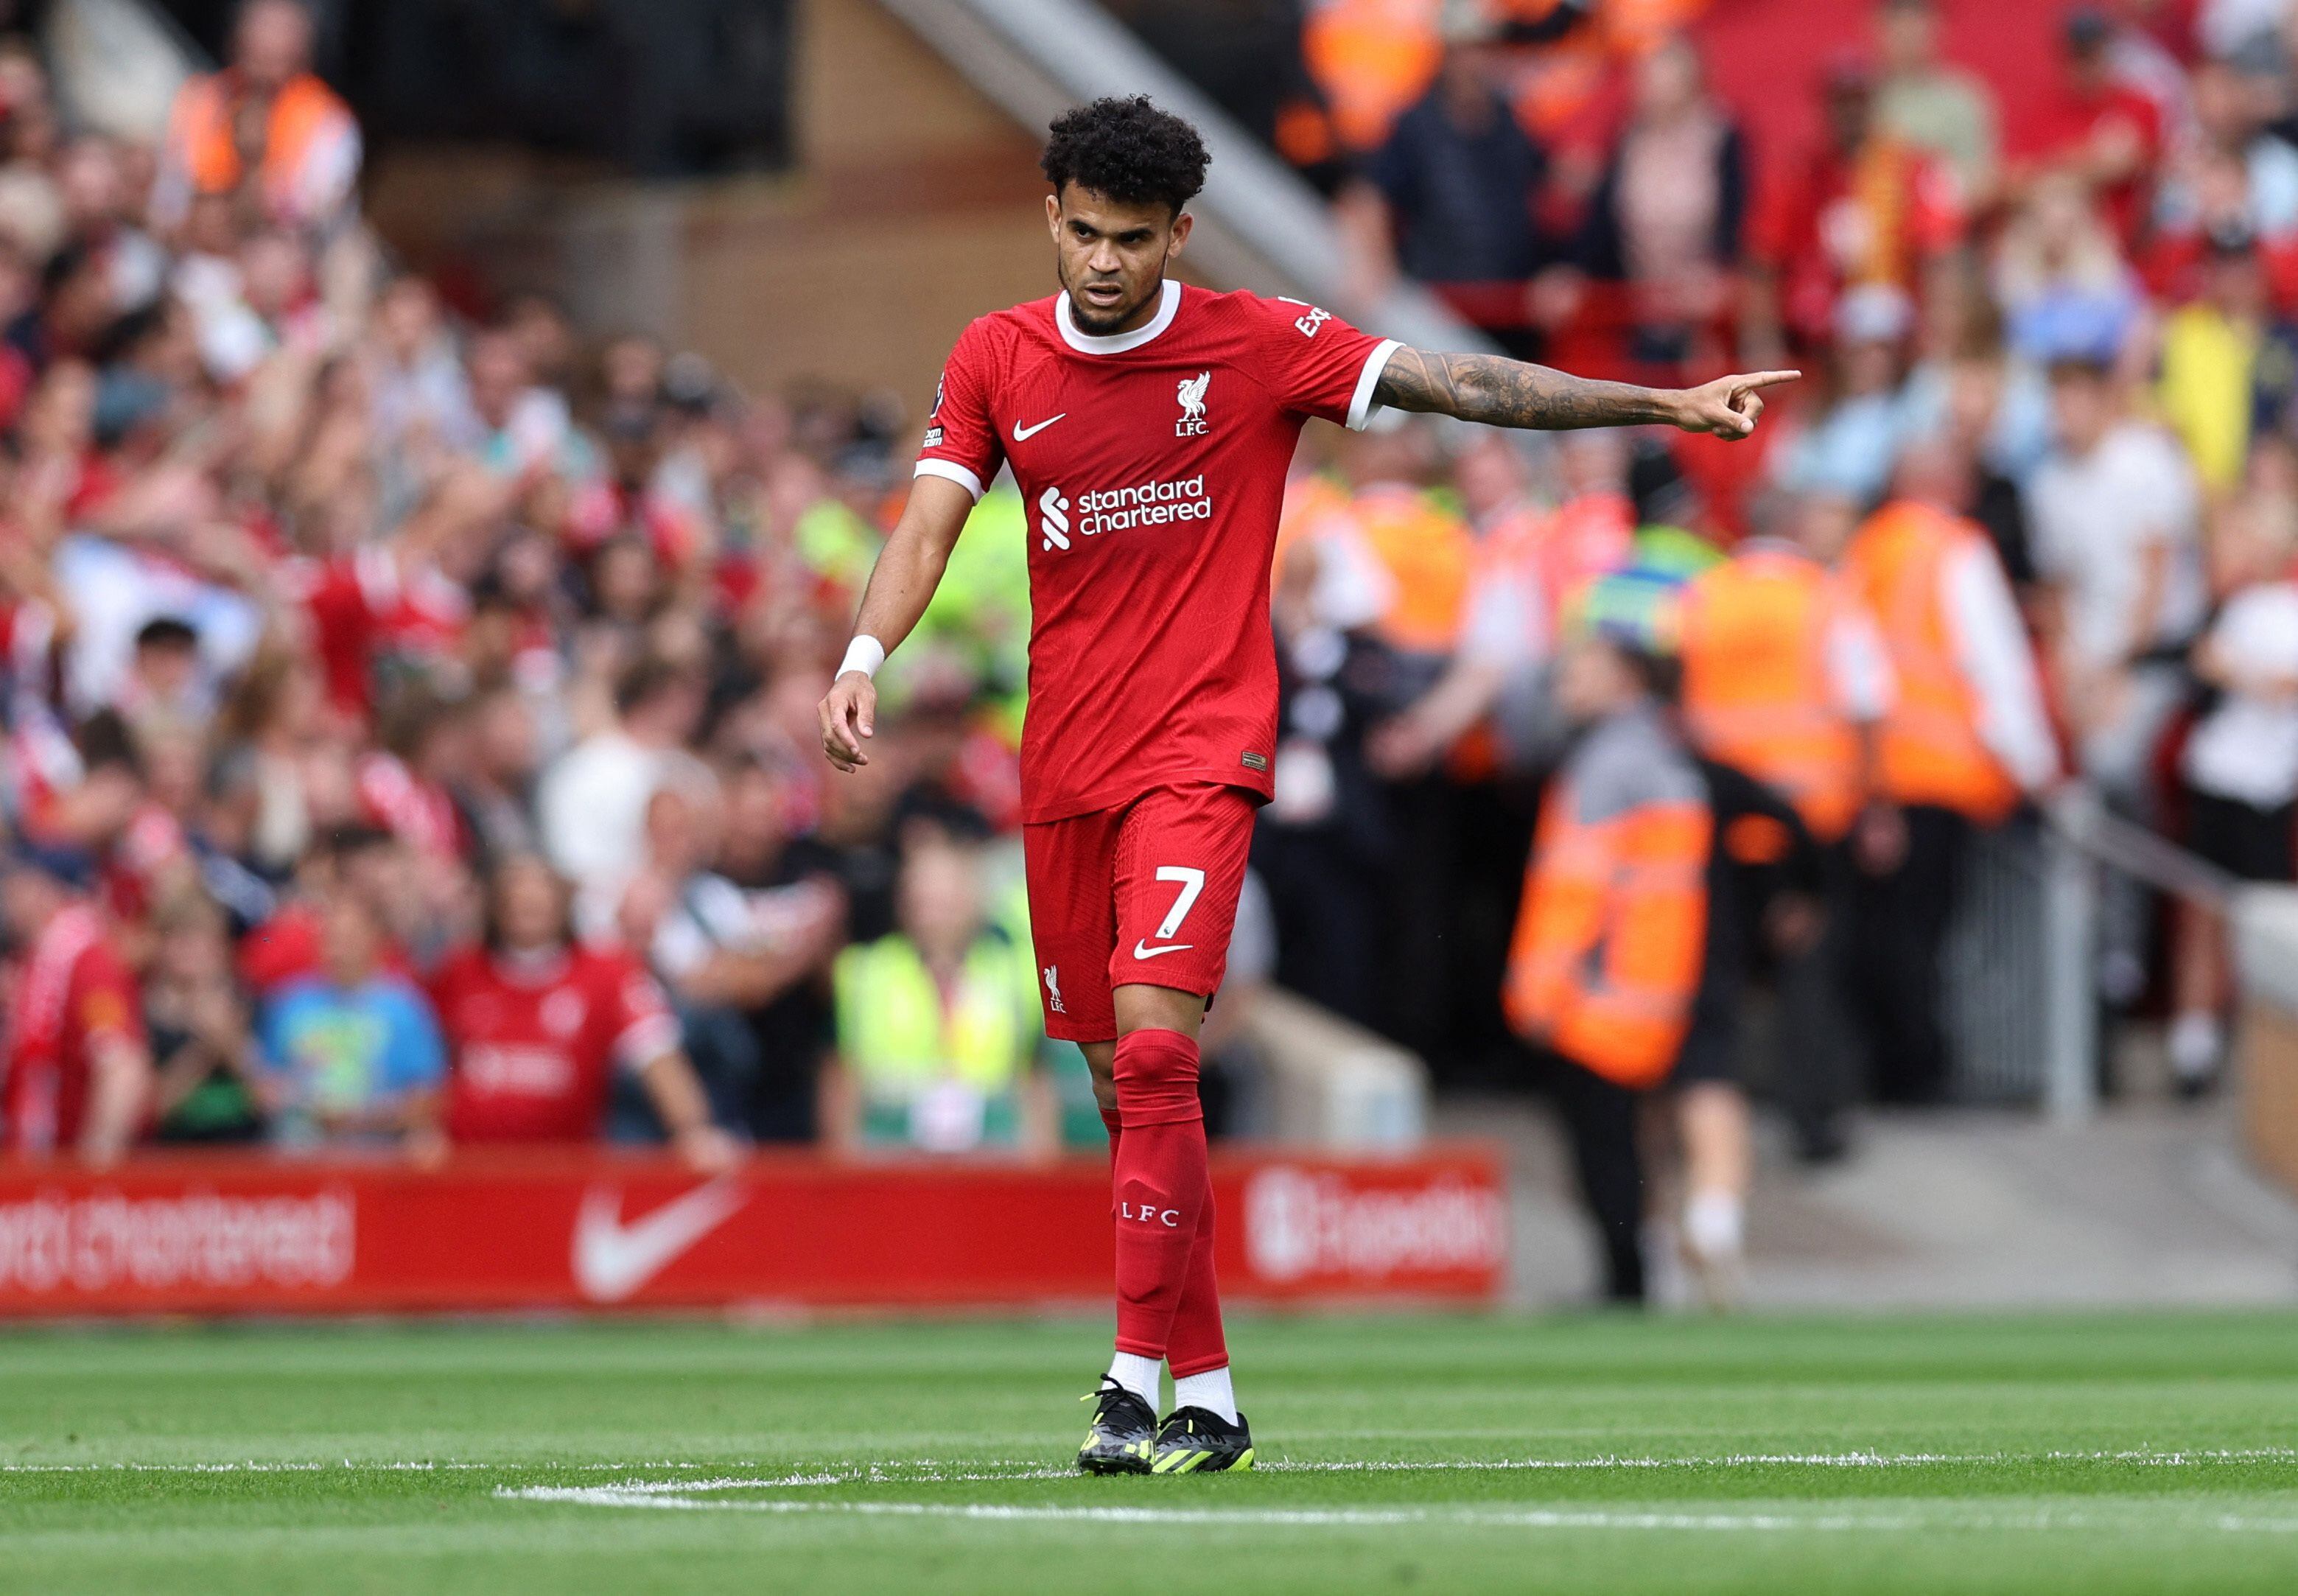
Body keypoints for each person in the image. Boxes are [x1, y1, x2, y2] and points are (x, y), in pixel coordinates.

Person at [815, 94, 1796, 1476]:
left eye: (1133, 239)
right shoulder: (995, 355)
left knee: (1160, 1051)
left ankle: (1125, 1377)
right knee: (1122, 1093)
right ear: (1050, 217)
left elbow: (1458, 383)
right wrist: (864, 651)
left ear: (1179, 235)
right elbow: (926, 523)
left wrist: (1657, 403)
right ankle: (1208, 1389)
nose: (1103, 262)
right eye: (1084, 233)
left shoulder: (1254, 342)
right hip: (1067, 765)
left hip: (1199, 751)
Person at [1501, 581, 1713, 1305]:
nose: (1564, 677)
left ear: (1624, 675)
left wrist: (1539, 989)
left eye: (1581, 664)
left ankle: (1625, 1284)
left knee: (1605, 1154)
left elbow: (1577, 893)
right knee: (1622, 1149)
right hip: (1635, 993)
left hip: (1598, 999)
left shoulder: (1611, 762)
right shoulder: (1657, 751)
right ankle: (1637, 1276)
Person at [1675, 490, 1893, 1161]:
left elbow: (1675, 698)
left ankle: (1702, 1109)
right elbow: (1866, 703)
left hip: (1722, 819)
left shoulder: (1702, 596)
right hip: (1812, 821)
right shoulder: (1827, 598)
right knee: (1810, 976)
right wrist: (1877, 804)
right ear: (1797, 528)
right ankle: (1814, 1123)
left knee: (1717, 973)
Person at [1843, 444, 2059, 1103]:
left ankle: (1888, 1069)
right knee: (1924, 935)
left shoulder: (1866, 548)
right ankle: (1918, 1072)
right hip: (1941, 774)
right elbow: (1994, 663)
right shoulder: (1957, 549)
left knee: (1884, 931)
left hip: (1874, 773)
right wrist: (2036, 766)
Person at [429, 853, 738, 1166]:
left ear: (563, 902)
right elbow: (426, 1060)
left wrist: (693, 1130)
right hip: (466, 1170)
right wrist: (424, 1130)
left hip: (567, 1171)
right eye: (516, 898)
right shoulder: (458, 973)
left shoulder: (605, 974)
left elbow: (656, 1054)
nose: (526, 905)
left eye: (538, 898)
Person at [2170, 494, 2298, 1093]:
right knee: (2203, 913)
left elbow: (2279, 684)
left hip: (2267, 791)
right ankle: (2193, 1044)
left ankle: (2254, 1051)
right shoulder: (2238, 606)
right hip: (2221, 779)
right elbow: (2207, 663)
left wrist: (2244, 674)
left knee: (2258, 923)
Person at [822, 833, 1055, 1156]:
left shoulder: (1015, 972)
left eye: (949, 900)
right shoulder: (864, 971)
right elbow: (842, 1080)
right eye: (926, 899)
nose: (936, 913)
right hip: (890, 1157)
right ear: (904, 901)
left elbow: (1033, 1078)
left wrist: (1041, 1168)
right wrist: (845, 1168)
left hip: (993, 1155)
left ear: (974, 901)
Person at [257, 888, 446, 1158]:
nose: (337, 949)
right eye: (329, 938)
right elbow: (265, 1083)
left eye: (348, 938)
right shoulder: (287, 1003)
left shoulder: (404, 1008)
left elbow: (428, 1098)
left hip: (375, 1160)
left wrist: (355, 1121)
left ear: (375, 939)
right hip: (298, 1159)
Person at [0, 844, 152, 1165]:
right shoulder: (37, 962)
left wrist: (91, 1174)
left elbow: (121, 1066)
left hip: (63, 1177)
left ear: (42, 890)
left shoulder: (89, 963)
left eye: (15, 885)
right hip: (36, 1170)